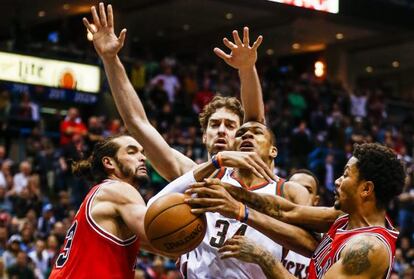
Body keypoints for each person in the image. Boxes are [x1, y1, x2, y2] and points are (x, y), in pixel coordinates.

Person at [84, 2, 268, 183]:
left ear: (241, 136)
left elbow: (255, 119)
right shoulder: (189, 174)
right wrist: (110, 59)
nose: (220, 130)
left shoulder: (254, 172)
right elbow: (137, 123)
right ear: (204, 136)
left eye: (229, 125)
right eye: (214, 125)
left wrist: (247, 68)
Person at [188, 143, 405, 278]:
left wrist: (263, 257)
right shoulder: (346, 218)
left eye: (346, 175)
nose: (338, 181)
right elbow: (288, 211)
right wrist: (233, 193)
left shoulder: (369, 248)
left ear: (366, 189)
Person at [151, 121, 317, 278]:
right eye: (241, 134)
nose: (246, 136)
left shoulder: (288, 191)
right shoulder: (213, 174)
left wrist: (261, 251)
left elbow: (312, 246)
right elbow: (153, 207)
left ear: (273, 151)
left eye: (257, 132)